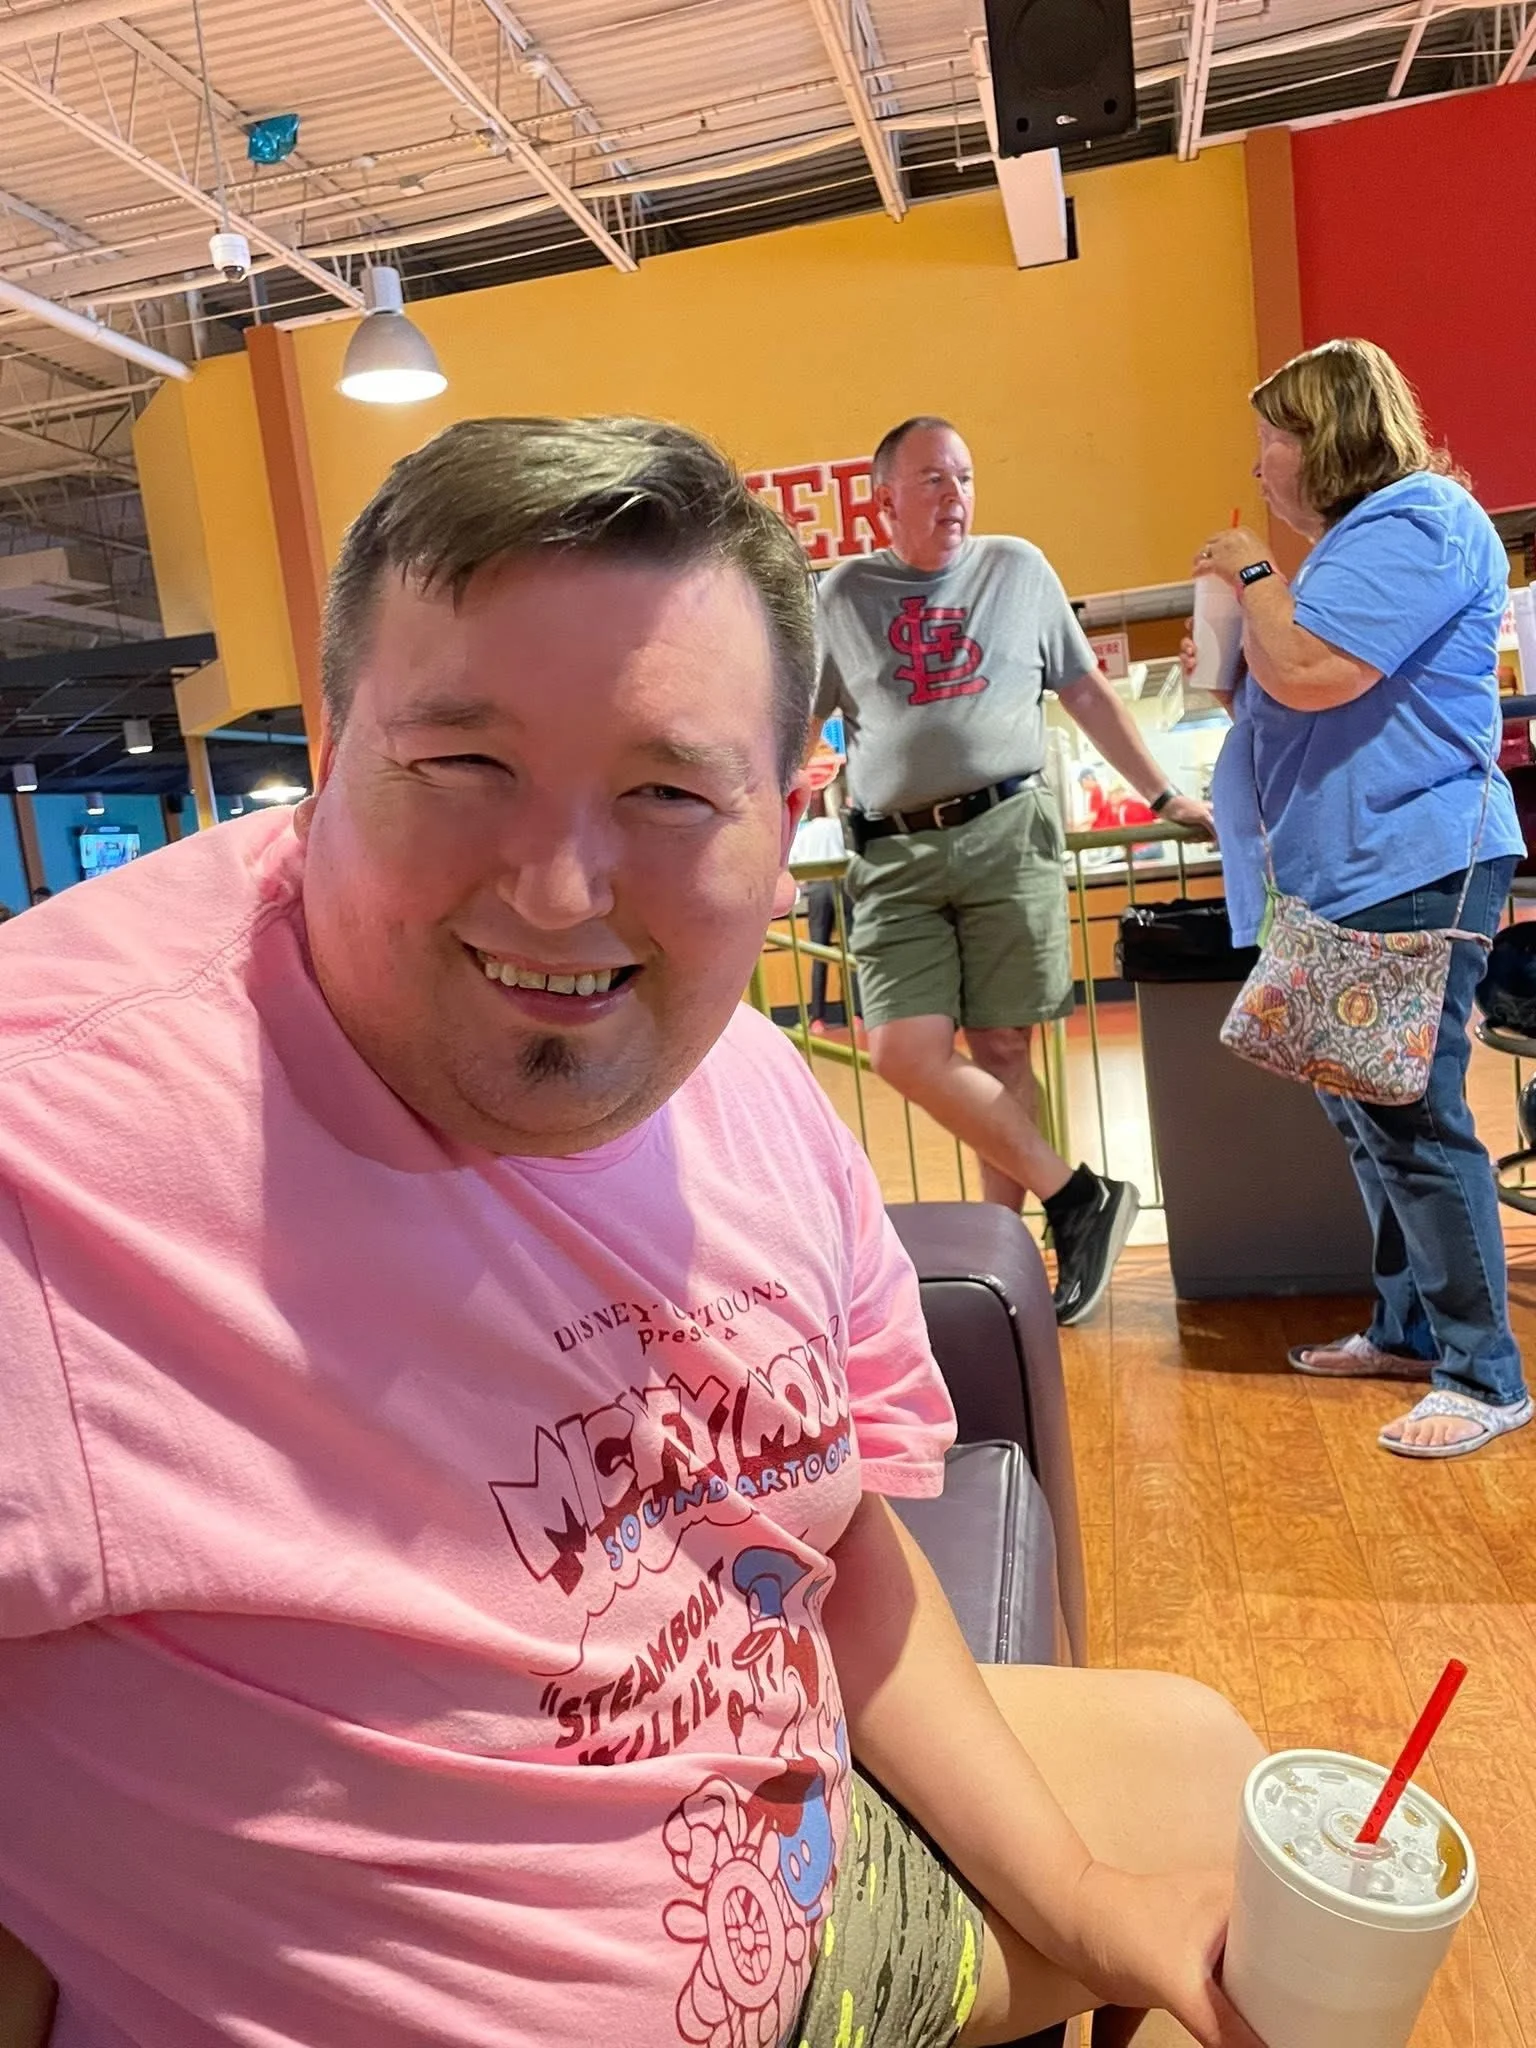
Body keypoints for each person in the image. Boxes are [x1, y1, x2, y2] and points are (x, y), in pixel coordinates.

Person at [0, 416, 1262, 2048]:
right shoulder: (59, 1147)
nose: (555, 887)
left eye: (668, 789)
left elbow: (823, 1533)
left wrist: (1085, 1891)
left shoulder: (742, 1078)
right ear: (332, 746)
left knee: (1236, 1816)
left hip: (807, 1889)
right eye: (465, 764)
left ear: (788, 811)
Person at [1200, 338, 1531, 1460]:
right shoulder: (1357, 544)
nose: (1261, 466)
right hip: (1348, 870)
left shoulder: (1420, 521)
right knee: (1366, 1106)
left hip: (1413, 860)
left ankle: (1484, 1372)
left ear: (1329, 435)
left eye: (1272, 439)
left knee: (1412, 1114)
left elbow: (1312, 674)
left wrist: (1251, 575)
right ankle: (1406, 1324)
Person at [815, 417, 1214, 1324]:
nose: (954, 496)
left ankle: (1007, 1268)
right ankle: (1077, 1195)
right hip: (890, 851)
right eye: (931, 481)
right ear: (883, 501)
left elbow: (1083, 691)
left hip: (1008, 829)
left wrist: (1162, 796)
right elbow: (800, 729)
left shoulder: (1019, 569)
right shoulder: (841, 594)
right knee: (903, 1051)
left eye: (963, 478)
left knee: (1003, 1051)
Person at [789, 788, 861, 1034]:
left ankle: (816, 1018)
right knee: (851, 952)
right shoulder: (838, 826)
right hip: (843, 887)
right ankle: (858, 1015)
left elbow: (794, 868)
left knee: (819, 952)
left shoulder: (805, 832)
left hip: (817, 889)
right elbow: (852, 855)